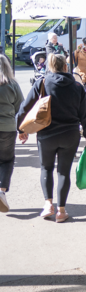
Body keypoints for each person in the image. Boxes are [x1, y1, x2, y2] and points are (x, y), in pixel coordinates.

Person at [17, 54, 86, 223]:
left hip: (46, 135)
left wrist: (20, 128)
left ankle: (48, 205)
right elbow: (85, 115)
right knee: (64, 172)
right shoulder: (77, 87)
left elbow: (24, 107)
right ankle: (61, 211)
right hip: (70, 135)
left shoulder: (42, 83)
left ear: (50, 66)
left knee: (46, 169)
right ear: (66, 66)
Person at [0, 55, 23, 212]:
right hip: (8, 127)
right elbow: (20, 108)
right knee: (7, 160)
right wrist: (22, 130)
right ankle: (1, 190)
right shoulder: (13, 84)